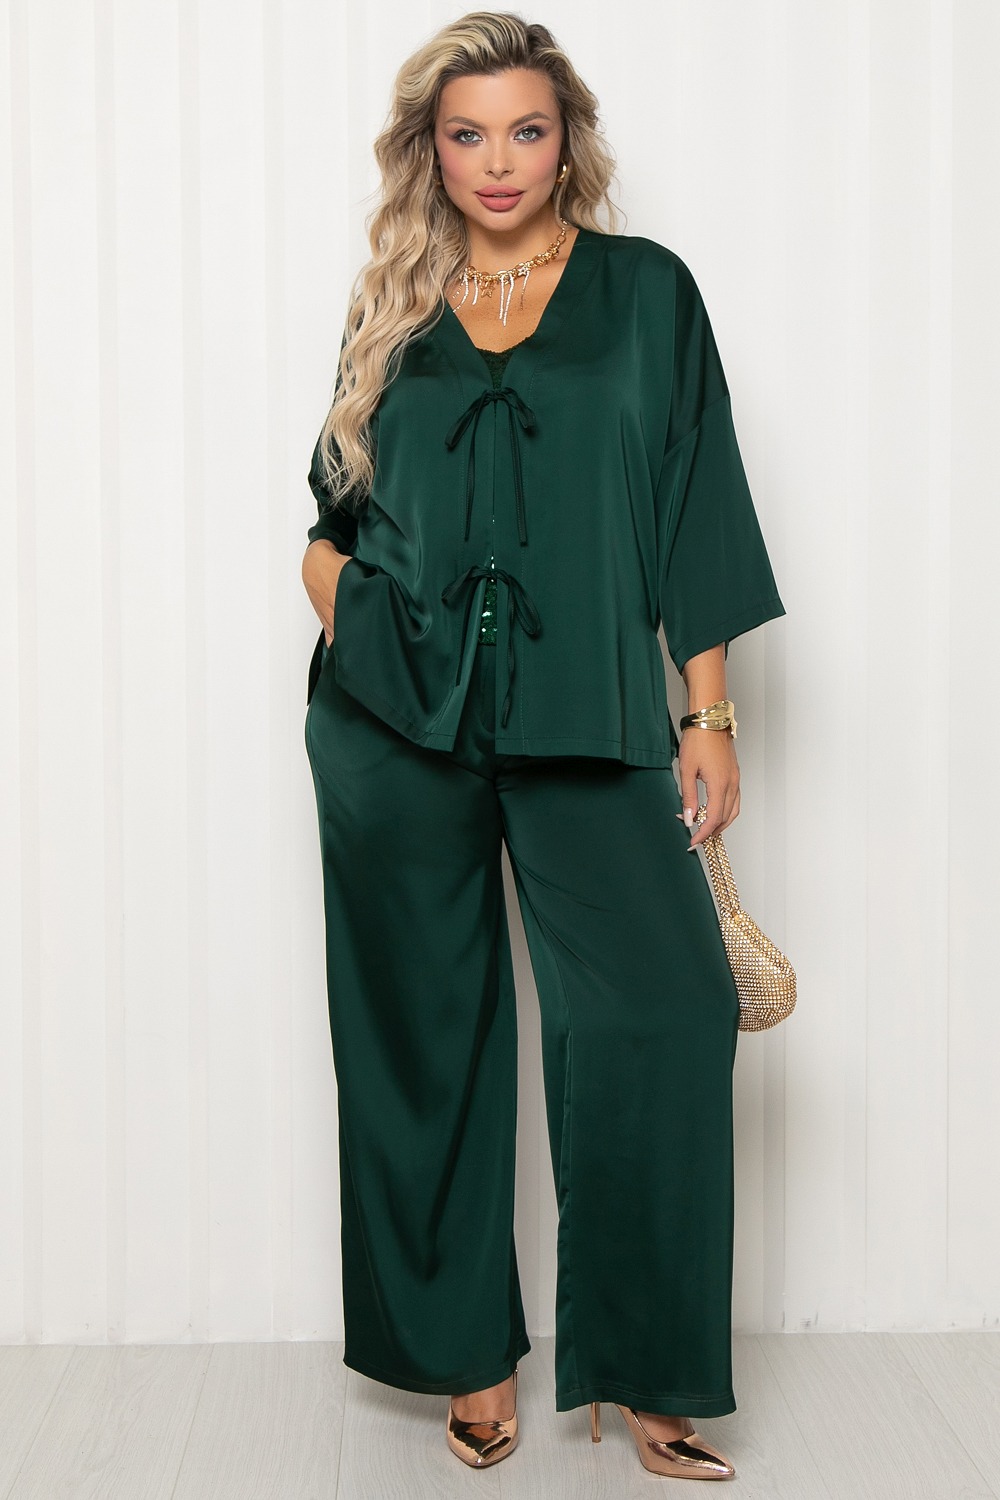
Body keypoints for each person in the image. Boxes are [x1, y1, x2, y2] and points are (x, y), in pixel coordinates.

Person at [301, 11, 784, 1481]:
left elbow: (695, 497)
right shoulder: (394, 301)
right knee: (421, 1039)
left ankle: (644, 1370)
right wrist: (357, 624)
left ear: (567, 140)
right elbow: (329, 522)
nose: (498, 161)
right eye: (468, 134)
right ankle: (465, 1355)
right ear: (430, 151)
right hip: (397, 723)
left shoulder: (648, 295)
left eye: (526, 129)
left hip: (593, 715)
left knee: (662, 1017)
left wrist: (706, 709)